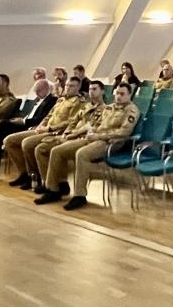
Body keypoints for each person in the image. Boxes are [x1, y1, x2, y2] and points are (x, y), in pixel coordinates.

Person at [38, 83, 140, 211]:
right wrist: (86, 133)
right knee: (57, 151)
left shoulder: (132, 110)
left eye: (122, 94)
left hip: (111, 142)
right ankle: (53, 189)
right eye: (117, 93)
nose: (118, 96)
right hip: (93, 137)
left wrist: (98, 136)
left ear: (129, 95)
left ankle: (80, 195)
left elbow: (124, 132)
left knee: (82, 154)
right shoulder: (109, 108)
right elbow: (97, 125)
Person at [7, 78, 90, 190]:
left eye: (72, 86)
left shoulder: (80, 102)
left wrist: (48, 128)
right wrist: (41, 126)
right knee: (10, 141)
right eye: (67, 85)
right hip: (44, 129)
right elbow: (48, 116)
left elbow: (71, 122)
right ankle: (26, 174)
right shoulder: (60, 100)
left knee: (27, 143)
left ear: (78, 87)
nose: (68, 88)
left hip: (55, 132)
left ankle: (41, 179)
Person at [0, 77, 56, 183]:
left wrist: (24, 122)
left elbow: (42, 118)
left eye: (38, 90)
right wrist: (19, 119)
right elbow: (25, 113)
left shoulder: (51, 100)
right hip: (23, 123)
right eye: (36, 90)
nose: (36, 92)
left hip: (30, 126)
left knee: (1, 125)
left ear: (46, 89)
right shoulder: (37, 99)